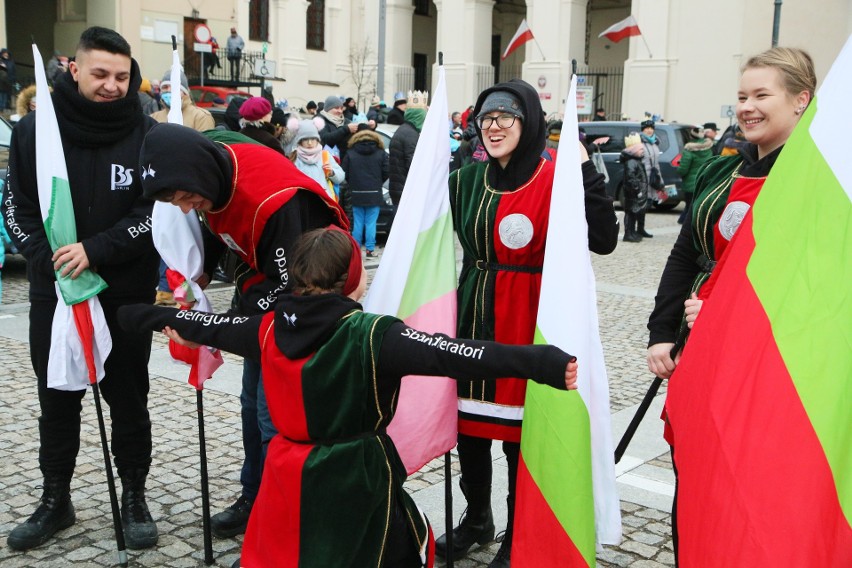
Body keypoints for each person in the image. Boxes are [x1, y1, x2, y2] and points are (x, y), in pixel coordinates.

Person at [116, 226, 580, 567]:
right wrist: (542, 362)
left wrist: (136, 315)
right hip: (353, 476)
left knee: (287, 554)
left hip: (285, 471)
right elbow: (460, 355)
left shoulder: (266, 327)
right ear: (353, 277)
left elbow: (202, 324)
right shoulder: (371, 335)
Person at [138, 122, 348, 543]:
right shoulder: (212, 171)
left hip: (304, 300)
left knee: (275, 421)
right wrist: (193, 288)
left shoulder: (275, 201)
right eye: (173, 201)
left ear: (198, 170)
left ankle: (283, 522)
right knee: (251, 407)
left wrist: (215, 328)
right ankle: (254, 497)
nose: (184, 208)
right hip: (262, 285)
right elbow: (218, 233)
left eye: (184, 196)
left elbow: (294, 292)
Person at [437, 78, 618, 567]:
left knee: (520, 435)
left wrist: (584, 170)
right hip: (474, 313)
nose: (494, 127)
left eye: (506, 118)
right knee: (471, 428)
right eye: (486, 119)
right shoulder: (464, 180)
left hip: (530, 316)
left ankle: (521, 532)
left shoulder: (554, 177)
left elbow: (603, 239)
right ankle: (477, 519)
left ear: (529, 121)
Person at [645, 46, 815, 563]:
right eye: (742, 96)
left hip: (772, 366)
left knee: (751, 480)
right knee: (695, 465)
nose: (747, 106)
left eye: (763, 95)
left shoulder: (814, 185)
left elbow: (813, 285)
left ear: (801, 101)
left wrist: (730, 314)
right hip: (702, 350)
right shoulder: (721, 174)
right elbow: (685, 254)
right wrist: (662, 331)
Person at [1, 26, 160, 551]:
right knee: (58, 398)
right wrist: (48, 261)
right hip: (56, 289)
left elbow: (153, 213)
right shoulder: (34, 131)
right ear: (74, 68)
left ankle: (133, 495)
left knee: (130, 398)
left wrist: (100, 250)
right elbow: (18, 208)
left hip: (124, 290)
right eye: (100, 74)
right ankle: (55, 499)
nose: (113, 85)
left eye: (121, 76)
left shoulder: (146, 131)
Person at [342, 126, 388, 257]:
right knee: (371, 223)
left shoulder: (350, 153)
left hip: (356, 193)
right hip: (374, 193)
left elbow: (344, 172)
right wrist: (377, 182)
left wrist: (353, 183)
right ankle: (370, 249)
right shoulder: (380, 152)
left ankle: (356, 249)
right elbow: (386, 171)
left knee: (357, 222)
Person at [289, 118, 345, 203]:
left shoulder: (325, 155)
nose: (310, 143)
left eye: (313, 139)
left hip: (324, 202)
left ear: (317, 139)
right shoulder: (294, 158)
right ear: (299, 141)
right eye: (305, 139)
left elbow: (341, 177)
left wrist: (332, 173)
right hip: (303, 203)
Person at [388, 91, 426, 206]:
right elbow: (413, 165)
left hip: (399, 188)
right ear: (418, 116)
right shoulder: (410, 135)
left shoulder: (404, 130)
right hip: (405, 191)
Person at [675, 125, 714, 224]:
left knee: (689, 206)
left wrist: (679, 171)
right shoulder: (708, 149)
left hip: (690, 184)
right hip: (703, 183)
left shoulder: (689, 150)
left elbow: (683, 169)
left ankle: (684, 224)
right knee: (696, 206)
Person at [620, 133, 650, 242]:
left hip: (635, 192)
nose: (642, 151)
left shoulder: (635, 161)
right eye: (640, 149)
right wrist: (637, 189)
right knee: (630, 213)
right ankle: (628, 234)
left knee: (633, 213)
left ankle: (632, 232)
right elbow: (631, 177)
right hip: (632, 193)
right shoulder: (631, 162)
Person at [637, 119, 662, 238]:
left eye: (651, 128)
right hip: (642, 177)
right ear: (642, 130)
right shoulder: (639, 143)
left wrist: (660, 180)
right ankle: (636, 228)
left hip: (652, 178)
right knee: (642, 203)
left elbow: (656, 164)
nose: (649, 130)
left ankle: (641, 228)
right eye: (646, 128)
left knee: (648, 203)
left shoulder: (655, 143)